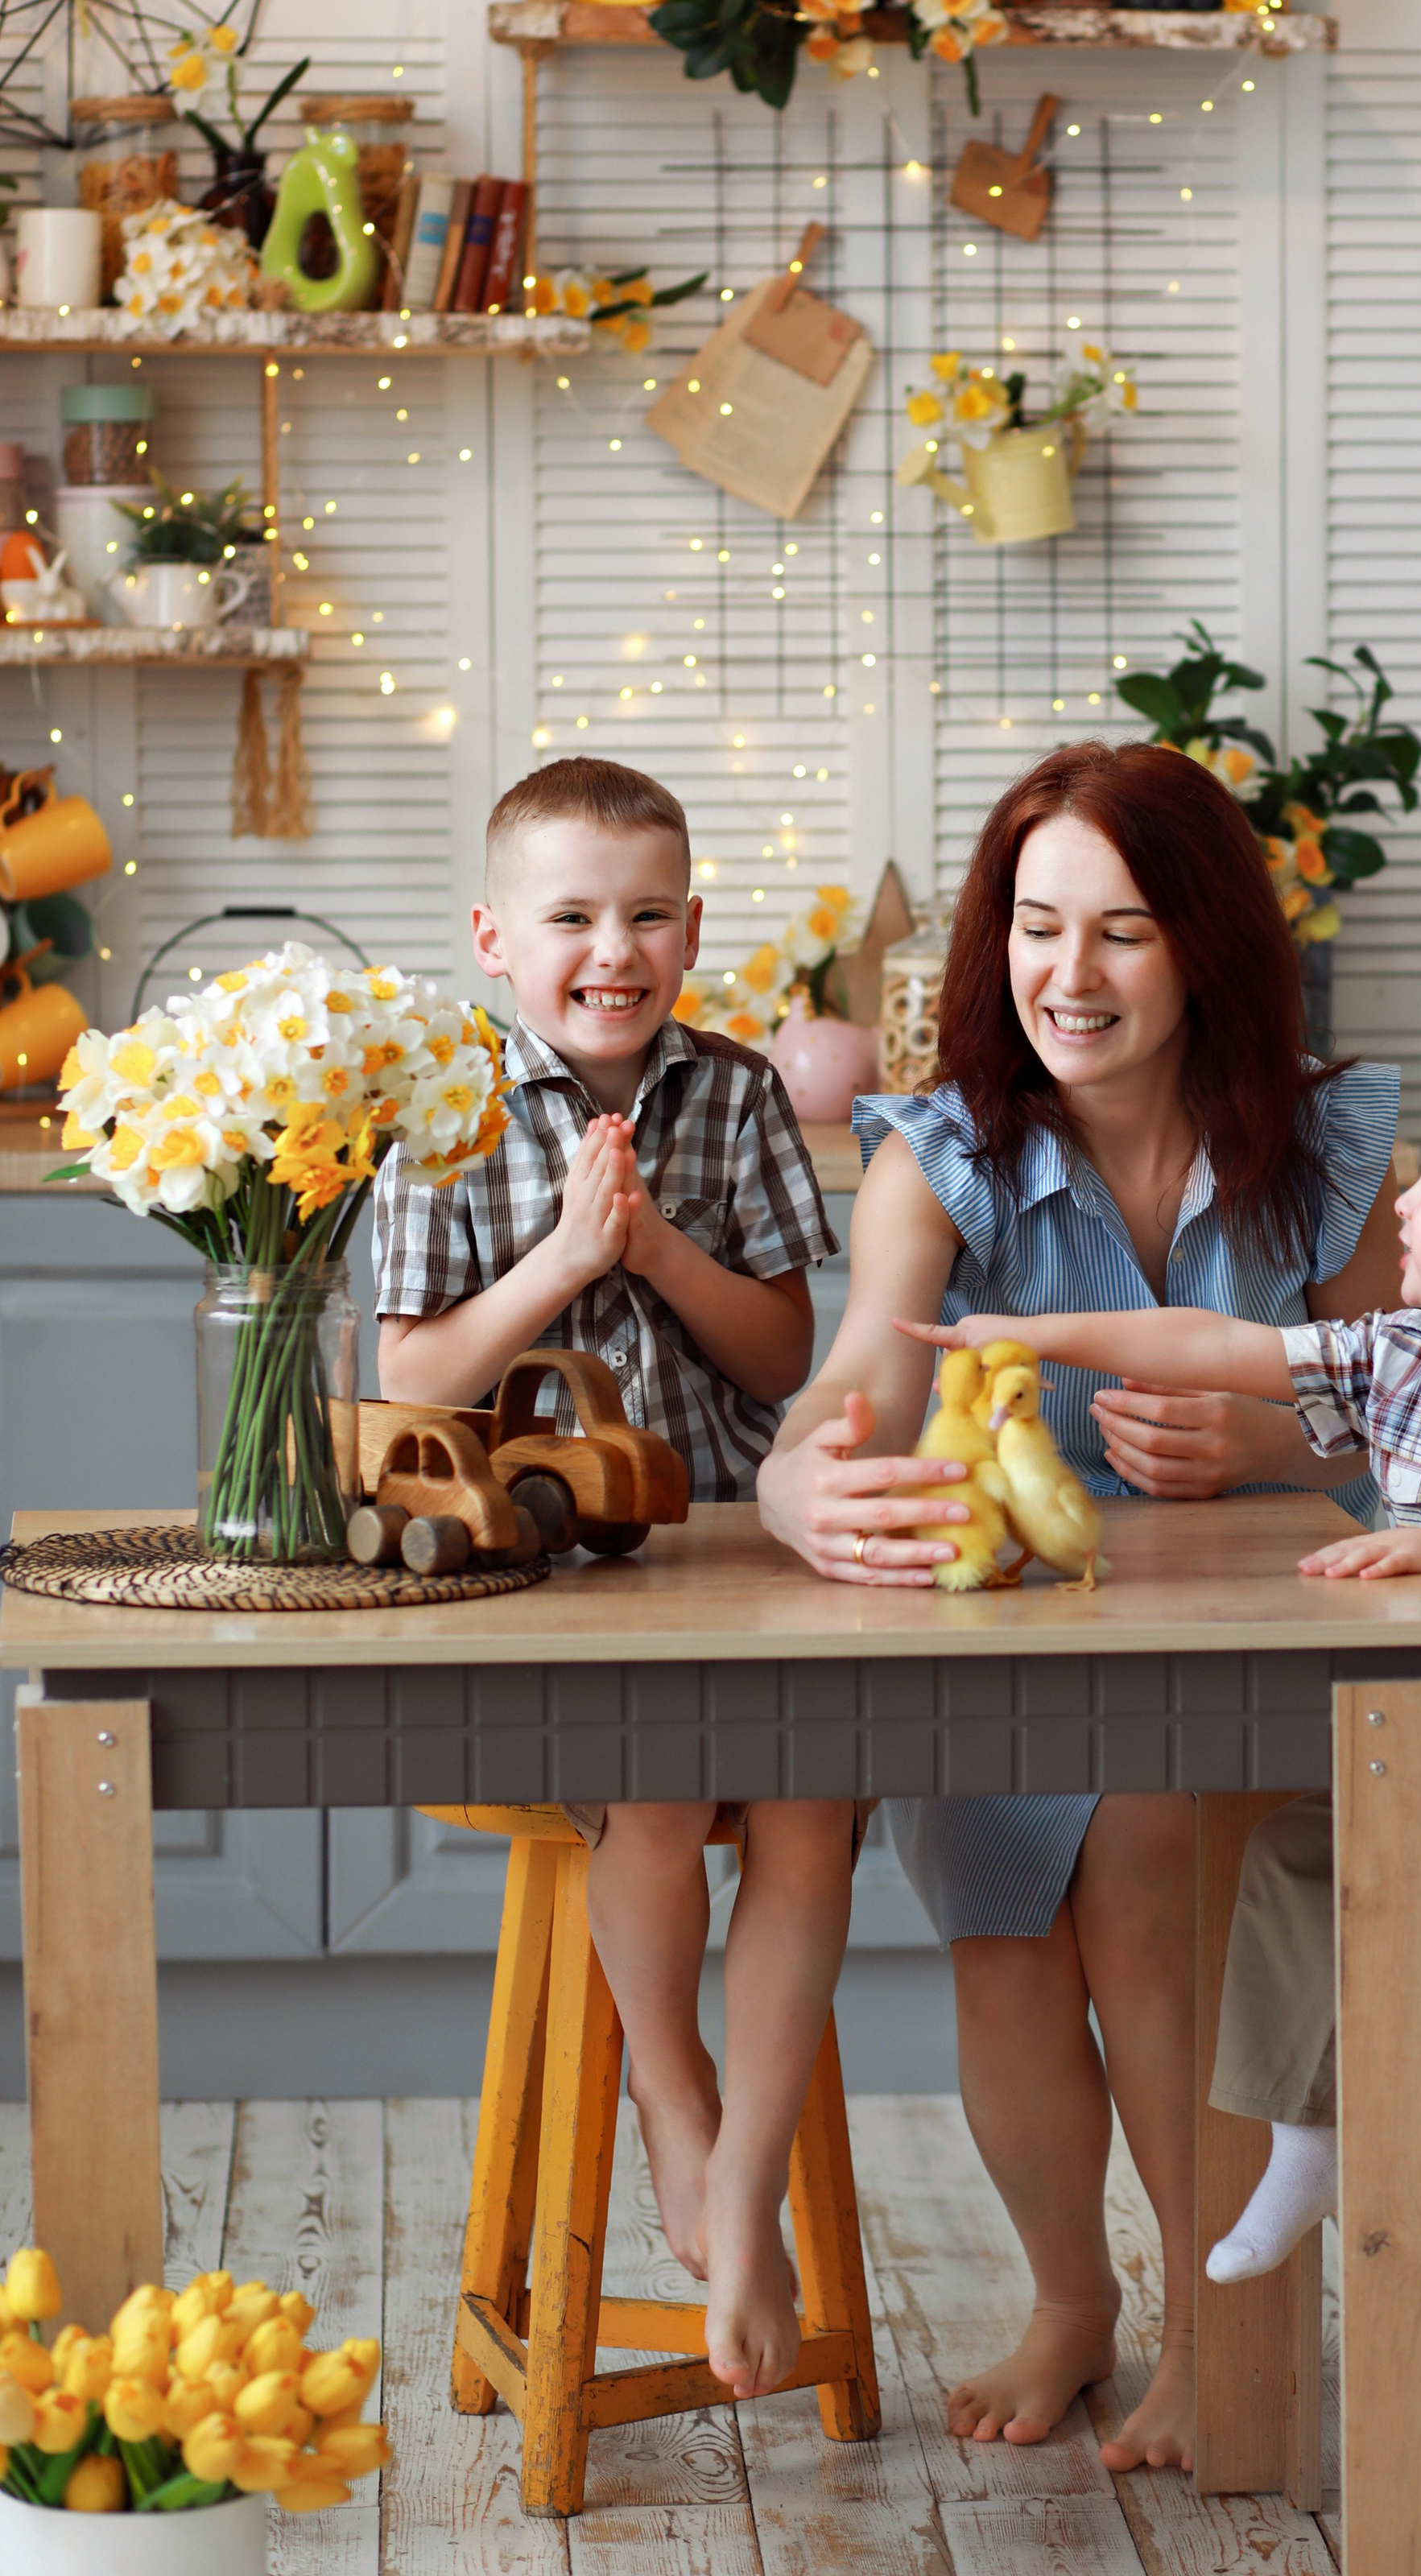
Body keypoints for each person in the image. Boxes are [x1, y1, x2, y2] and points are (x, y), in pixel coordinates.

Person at [754, 739, 1402, 2471]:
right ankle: (1073, 2299)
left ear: (1202, 947)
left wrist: (1257, 1434)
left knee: (1138, 1875)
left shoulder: (1333, 1142)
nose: (1070, 973)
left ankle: (1217, 2328)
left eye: (1120, 932)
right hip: (1008, 1633)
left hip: (1249, 1642)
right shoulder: (938, 1155)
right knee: (1004, 1961)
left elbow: (1409, 1406)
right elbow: (850, 1400)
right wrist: (792, 1482)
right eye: (1037, 926)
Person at [900, 1048, 1421, 2328]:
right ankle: (1300, 2140)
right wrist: (1025, 1332)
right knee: (1297, 1852)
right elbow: (1211, 1342)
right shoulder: (1409, 1356)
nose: (1400, 1197)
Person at [373, 755, 853, 2401]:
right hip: (547, 1571)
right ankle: (675, 2098)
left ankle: (745, 2169)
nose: (613, 948)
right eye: (573, 915)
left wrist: (655, 1252)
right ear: (496, 938)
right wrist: (568, 1259)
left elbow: (785, 1349)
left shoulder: (730, 1095)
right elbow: (412, 1382)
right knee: (655, 1796)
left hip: (728, 1545)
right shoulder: (443, 1108)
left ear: (694, 928)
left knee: (808, 1804)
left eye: (648, 914)